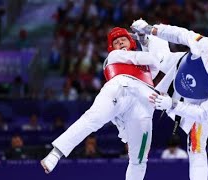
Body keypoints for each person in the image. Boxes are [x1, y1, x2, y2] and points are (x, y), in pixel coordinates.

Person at [131, 19, 208, 180]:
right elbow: (180, 34)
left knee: (197, 149)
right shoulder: (205, 44)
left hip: (193, 107)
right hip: (177, 69)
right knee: (158, 59)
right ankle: (146, 39)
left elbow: (203, 113)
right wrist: (150, 29)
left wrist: (172, 105)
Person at [41, 27, 163, 180]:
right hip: (121, 89)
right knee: (92, 119)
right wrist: (143, 41)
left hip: (143, 105)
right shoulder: (114, 56)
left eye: (123, 40)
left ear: (130, 42)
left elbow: (157, 62)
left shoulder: (143, 62)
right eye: (116, 42)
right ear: (113, 48)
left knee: (139, 159)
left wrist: (143, 41)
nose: (120, 43)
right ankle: (55, 154)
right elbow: (152, 59)